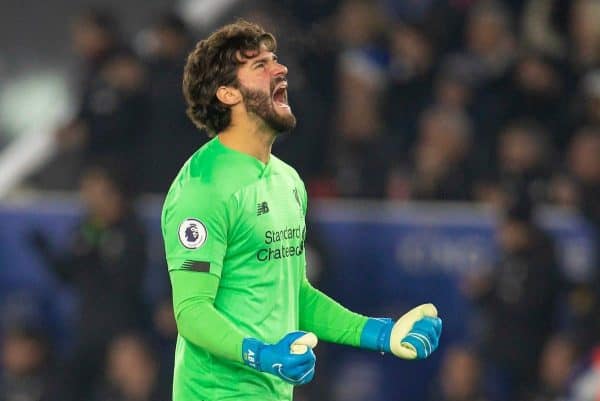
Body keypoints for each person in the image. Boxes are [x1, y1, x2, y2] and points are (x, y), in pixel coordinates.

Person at [161, 20, 443, 401]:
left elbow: (294, 295)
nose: (281, 70)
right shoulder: (202, 187)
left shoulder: (288, 181)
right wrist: (260, 354)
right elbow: (192, 311)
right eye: (260, 66)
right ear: (227, 93)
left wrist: (382, 333)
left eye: (274, 60)